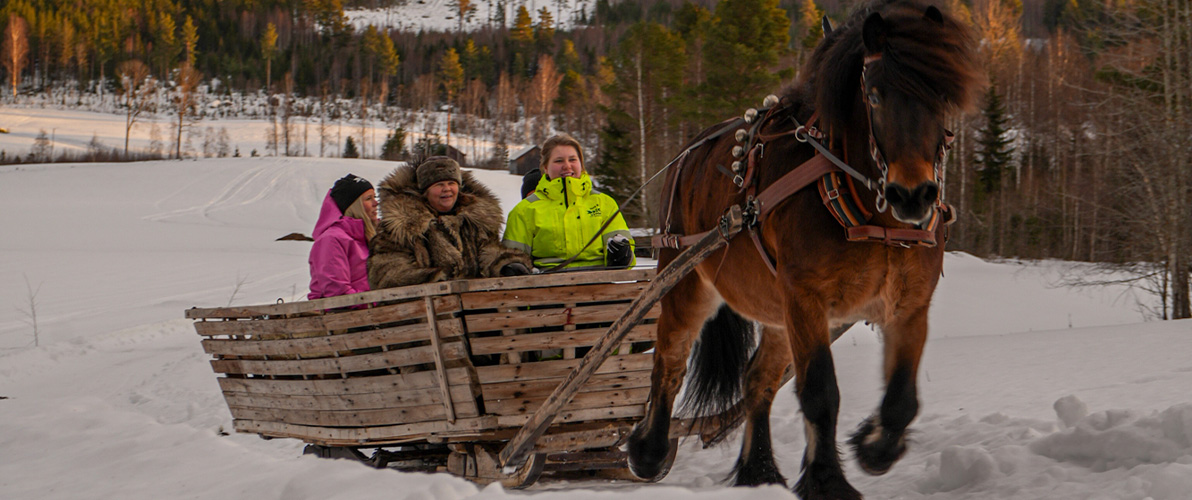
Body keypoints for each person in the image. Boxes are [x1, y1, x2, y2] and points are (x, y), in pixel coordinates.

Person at [368, 156, 532, 289]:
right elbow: (387, 271)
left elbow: (489, 251)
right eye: (439, 185)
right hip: (426, 315)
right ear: (425, 192)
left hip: (475, 309)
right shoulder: (401, 227)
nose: (447, 189)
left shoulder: (473, 221)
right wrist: (433, 280)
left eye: (451, 183)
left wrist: (506, 264)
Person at [503, 134, 635, 270]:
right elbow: (512, 258)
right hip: (546, 286)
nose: (567, 166)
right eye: (559, 161)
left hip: (601, 284)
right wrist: (515, 266)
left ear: (581, 165)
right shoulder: (524, 210)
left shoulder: (604, 203)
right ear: (546, 168)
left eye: (572, 159)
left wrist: (622, 255)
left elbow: (627, 257)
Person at [308, 174, 377, 299]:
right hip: (344, 314)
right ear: (354, 205)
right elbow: (337, 290)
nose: (376, 203)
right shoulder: (332, 239)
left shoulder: (371, 236)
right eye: (368, 198)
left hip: (371, 311)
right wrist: (378, 302)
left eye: (375, 197)